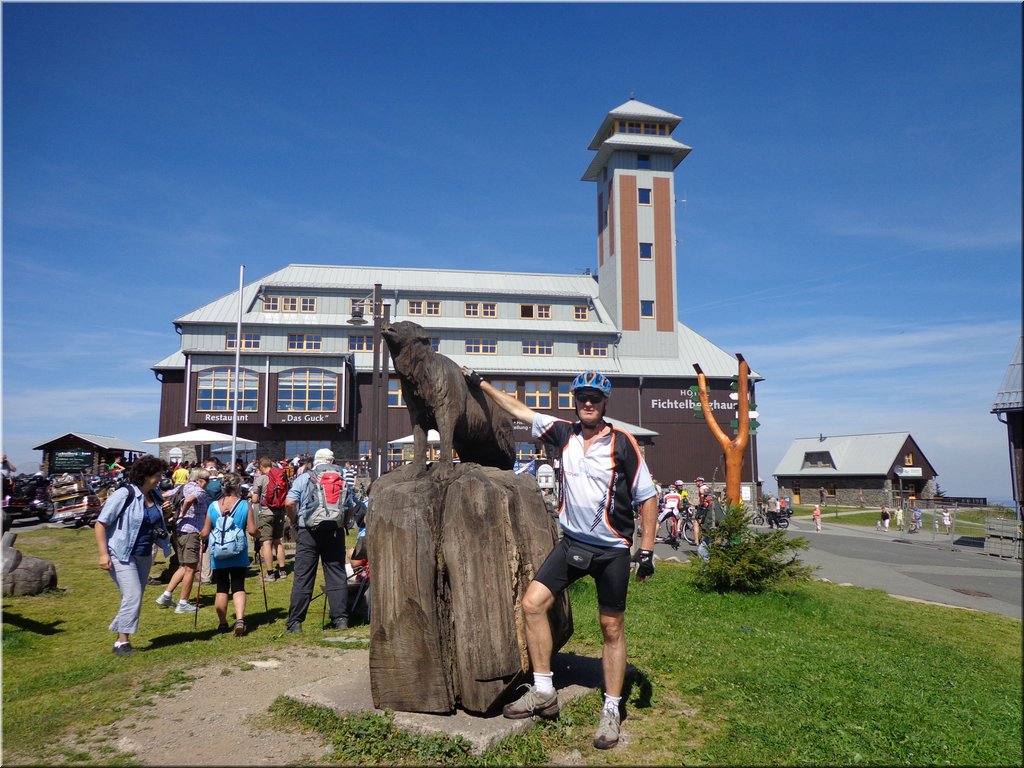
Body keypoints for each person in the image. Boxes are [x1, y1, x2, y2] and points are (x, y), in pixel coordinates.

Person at [466, 368, 658, 750]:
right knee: (532, 604)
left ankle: (612, 708)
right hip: (572, 543)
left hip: (612, 550)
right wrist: (481, 384)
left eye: (595, 398)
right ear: (575, 401)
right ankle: (543, 691)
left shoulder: (624, 443)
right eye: (582, 397)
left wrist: (648, 549)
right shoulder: (563, 433)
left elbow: (647, 496)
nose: (588, 403)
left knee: (611, 628)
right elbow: (518, 410)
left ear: (605, 403)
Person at [94, 455, 170, 656]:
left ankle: (121, 636)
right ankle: (122, 643)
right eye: (157, 475)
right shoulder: (124, 494)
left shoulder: (154, 495)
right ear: (145, 476)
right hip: (122, 553)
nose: (160, 479)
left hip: (144, 553)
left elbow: (152, 522)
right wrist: (103, 554)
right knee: (133, 594)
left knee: (133, 596)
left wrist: (166, 514)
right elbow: (101, 524)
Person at [284, 448, 350, 633]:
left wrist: (294, 521)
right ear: (332, 460)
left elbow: (289, 503)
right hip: (335, 531)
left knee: (303, 575)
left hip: (308, 531)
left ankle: (295, 622)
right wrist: (343, 522)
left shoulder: (305, 477)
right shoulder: (341, 478)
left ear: (315, 461)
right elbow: (351, 505)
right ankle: (341, 619)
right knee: (336, 573)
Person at [200, 473, 257, 635]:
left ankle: (223, 623)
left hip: (219, 551)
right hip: (238, 550)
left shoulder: (213, 506)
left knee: (221, 587)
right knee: (238, 586)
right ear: (238, 486)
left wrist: (201, 537)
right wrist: (259, 535)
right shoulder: (245, 505)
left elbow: (204, 532)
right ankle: (240, 619)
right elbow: (252, 531)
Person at [155, 468, 209, 614]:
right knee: (191, 568)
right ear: (199, 480)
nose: (207, 484)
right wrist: (183, 513)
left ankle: (166, 595)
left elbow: (164, 495)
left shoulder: (181, 487)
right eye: (206, 481)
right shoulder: (200, 491)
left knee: (184, 566)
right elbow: (190, 499)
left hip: (178, 531)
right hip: (191, 531)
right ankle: (183, 603)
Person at [250, 456, 288, 581]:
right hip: (280, 512)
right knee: (278, 541)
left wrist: (252, 496)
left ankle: (270, 573)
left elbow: (255, 500)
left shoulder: (261, 479)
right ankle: (283, 571)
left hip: (266, 513)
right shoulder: (281, 476)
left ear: (261, 466)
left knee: (266, 542)